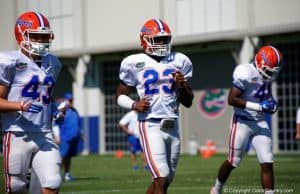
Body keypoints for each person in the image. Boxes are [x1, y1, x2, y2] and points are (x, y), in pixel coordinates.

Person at [115, 18, 194, 194]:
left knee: (165, 181)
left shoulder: (180, 60)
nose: (162, 43)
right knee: (161, 176)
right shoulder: (134, 62)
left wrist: (182, 86)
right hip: (150, 124)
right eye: (157, 39)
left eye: (164, 39)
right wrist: (134, 104)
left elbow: (188, 102)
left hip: (173, 125)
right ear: (145, 40)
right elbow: (119, 95)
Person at [0, 11, 62, 194]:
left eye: (44, 37)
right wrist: (19, 105)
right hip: (17, 133)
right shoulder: (9, 60)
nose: (40, 41)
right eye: (35, 36)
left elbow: (45, 97)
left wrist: (56, 107)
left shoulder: (53, 63)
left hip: (44, 133)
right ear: (21, 35)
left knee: (53, 182)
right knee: (16, 188)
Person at [210, 45, 283, 194]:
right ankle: (216, 188)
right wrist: (260, 107)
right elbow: (232, 99)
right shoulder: (245, 72)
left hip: (260, 121)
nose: (271, 75)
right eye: (269, 70)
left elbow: (263, 96)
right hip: (242, 121)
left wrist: (272, 103)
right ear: (260, 63)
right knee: (233, 161)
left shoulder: (265, 76)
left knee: (267, 163)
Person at [55, 93, 81, 181]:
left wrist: (80, 134)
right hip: (64, 138)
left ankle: (66, 174)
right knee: (62, 156)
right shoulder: (61, 111)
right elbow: (55, 124)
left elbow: (77, 123)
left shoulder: (74, 111)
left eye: (72, 100)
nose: (71, 102)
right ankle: (56, 174)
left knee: (69, 157)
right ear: (65, 100)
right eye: (69, 100)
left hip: (73, 137)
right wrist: (57, 136)